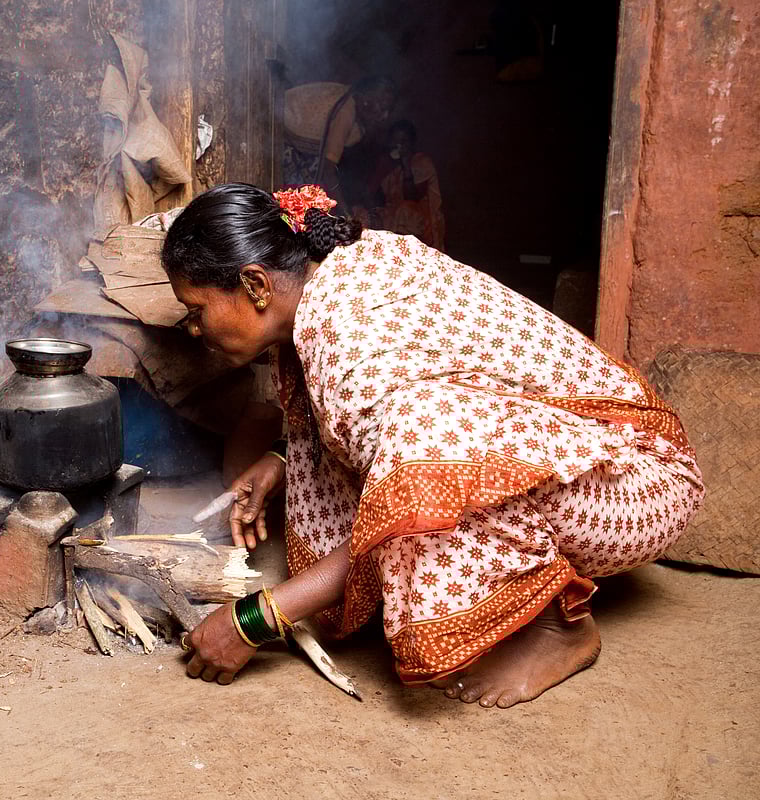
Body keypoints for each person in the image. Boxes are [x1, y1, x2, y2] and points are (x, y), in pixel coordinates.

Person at [160, 183, 703, 708]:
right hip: (596, 464)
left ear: (255, 286)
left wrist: (256, 618)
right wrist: (281, 459)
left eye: (196, 310)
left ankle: (559, 626)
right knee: (409, 452)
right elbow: (365, 431)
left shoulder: (354, 343)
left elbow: (409, 492)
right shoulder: (336, 277)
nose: (192, 329)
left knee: (427, 452)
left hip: (636, 483)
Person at [282, 77, 394, 215]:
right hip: (280, 128)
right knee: (305, 201)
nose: (385, 116)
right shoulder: (346, 113)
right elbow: (328, 171)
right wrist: (345, 213)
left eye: (388, 110)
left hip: (289, 134)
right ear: (365, 101)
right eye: (382, 108)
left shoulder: (354, 106)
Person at [376, 120, 445, 250]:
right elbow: (371, 192)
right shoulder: (388, 164)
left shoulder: (422, 162)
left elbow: (412, 197)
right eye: (395, 142)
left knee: (405, 210)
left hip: (420, 221)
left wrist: (406, 165)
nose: (399, 146)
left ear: (412, 143)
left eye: (404, 141)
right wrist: (381, 168)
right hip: (394, 217)